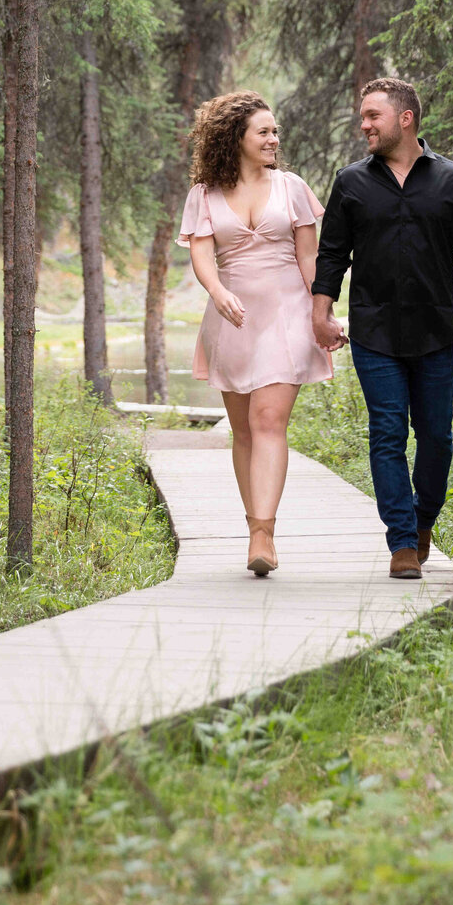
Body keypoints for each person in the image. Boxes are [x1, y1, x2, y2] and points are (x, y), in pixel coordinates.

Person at [311, 77, 453, 579]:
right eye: (363, 116)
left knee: (436, 438)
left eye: (373, 115)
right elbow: (332, 254)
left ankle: (423, 522)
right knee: (387, 434)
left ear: (405, 118)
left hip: (436, 333)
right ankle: (400, 541)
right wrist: (321, 311)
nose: (364, 124)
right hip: (374, 334)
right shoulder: (351, 182)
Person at [179, 91, 337, 577]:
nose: (274, 139)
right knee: (244, 430)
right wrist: (217, 290)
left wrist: (323, 312)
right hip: (233, 319)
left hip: (288, 313)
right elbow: (202, 254)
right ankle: (254, 524)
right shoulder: (204, 193)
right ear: (236, 138)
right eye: (264, 132)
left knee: (270, 421)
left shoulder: (291, 187)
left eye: (275, 132)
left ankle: (263, 535)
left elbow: (310, 258)